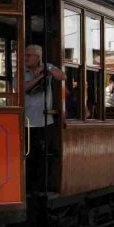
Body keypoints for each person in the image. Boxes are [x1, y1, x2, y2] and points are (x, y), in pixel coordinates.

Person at [23, 44, 66, 192]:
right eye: (25, 55)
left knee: (42, 157)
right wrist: (39, 77)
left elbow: (62, 76)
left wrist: (47, 70)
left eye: (29, 55)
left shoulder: (47, 67)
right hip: (26, 122)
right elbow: (21, 88)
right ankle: (28, 187)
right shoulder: (23, 71)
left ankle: (40, 188)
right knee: (28, 157)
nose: (26, 58)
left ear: (38, 57)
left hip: (44, 121)